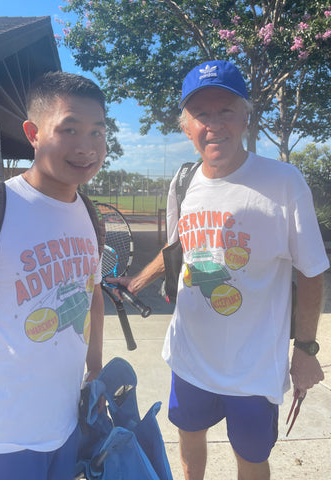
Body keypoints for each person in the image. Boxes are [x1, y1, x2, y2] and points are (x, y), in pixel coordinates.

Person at [109, 60, 330, 480]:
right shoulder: (183, 180)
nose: (214, 124)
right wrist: (138, 280)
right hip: (190, 356)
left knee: (251, 458)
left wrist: (305, 350)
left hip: (252, 366)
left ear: (246, 116)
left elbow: (311, 270)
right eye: (201, 114)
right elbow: (180, 245)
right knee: (189, 437)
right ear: (186, 125)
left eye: (225, 110)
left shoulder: (283, 182)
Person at [0, 71, 107, 480]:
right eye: (69, 129)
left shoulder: (89, 213)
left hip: (64, 426)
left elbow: (93, 295)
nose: (87, 147)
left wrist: (96, 370)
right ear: (32, 132)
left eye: (98, 132)